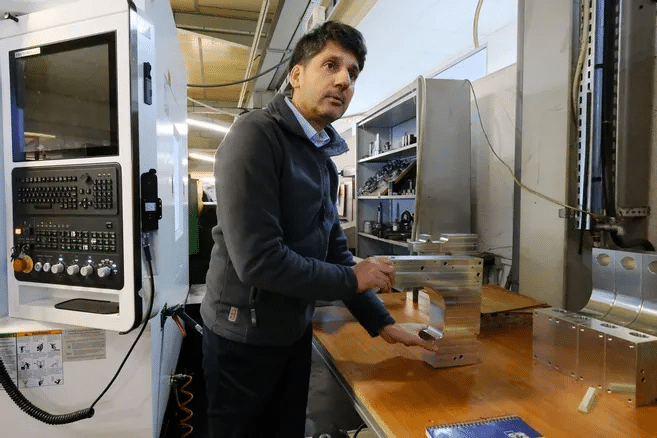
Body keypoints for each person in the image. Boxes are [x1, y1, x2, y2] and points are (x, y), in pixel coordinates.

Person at [201, 21, 430, 438]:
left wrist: (383, 325)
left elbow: (335, 252)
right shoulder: (254, 137)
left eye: (353, 73)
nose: (344, 79)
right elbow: (259, 261)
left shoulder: (321, 162)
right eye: (331, 65)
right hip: (243, 338)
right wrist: (353, 277)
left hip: (292, 331)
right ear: (296, 75)